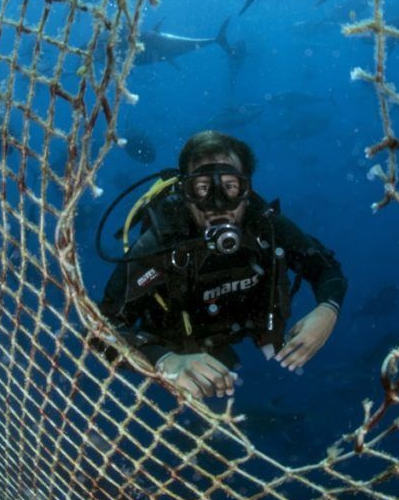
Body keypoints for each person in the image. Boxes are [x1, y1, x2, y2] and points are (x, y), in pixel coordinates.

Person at [96, 130, 347, 398]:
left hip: (246, 332)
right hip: (182, 346)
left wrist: (328, 310)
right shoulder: (161, 242)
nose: (217, 205)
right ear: (185, 192)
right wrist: (165, 360)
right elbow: (99, 329)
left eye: (230, 187)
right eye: (203, 188)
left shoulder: (265, 226)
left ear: (246, 189)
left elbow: (325, 269)